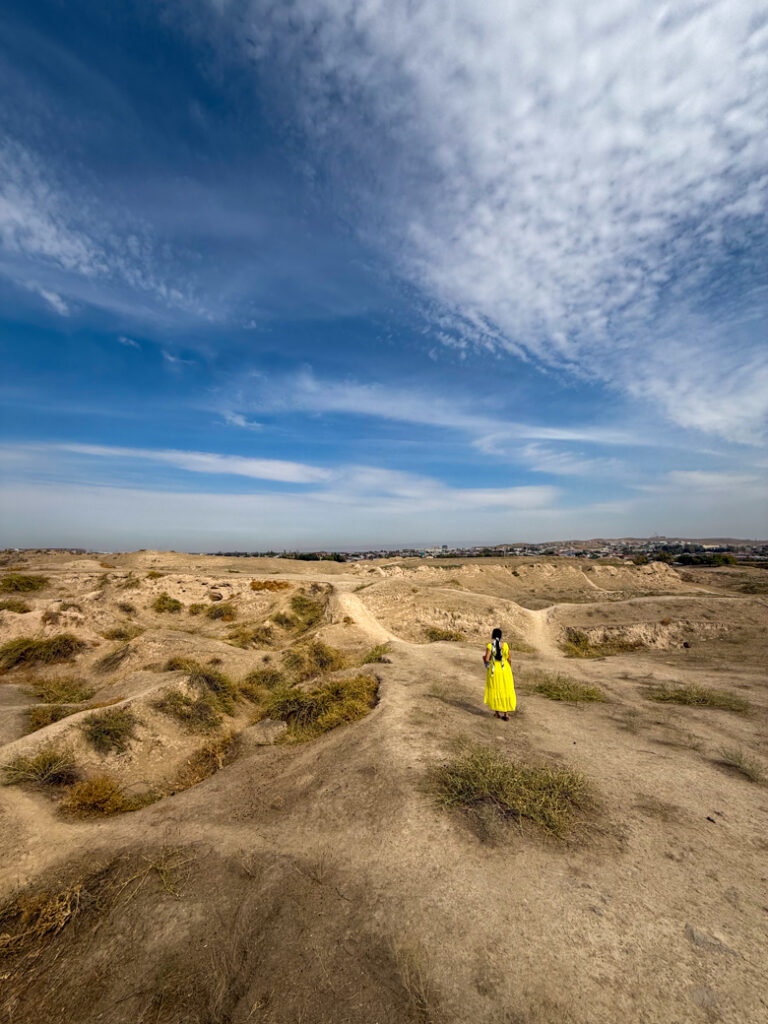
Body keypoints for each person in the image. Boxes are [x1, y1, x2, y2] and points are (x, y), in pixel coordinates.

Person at [483, 627, 516, 721]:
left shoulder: (490, 646)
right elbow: (509, 658)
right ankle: (506, 714)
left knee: (496, 689)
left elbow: (486, 659)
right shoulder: (505, 645)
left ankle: (497, 713)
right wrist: (508, 667)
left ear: (493, 635)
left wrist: (486, 661)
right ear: (501, 636)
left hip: (494, 670)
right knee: (506, 690)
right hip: (505, 669)